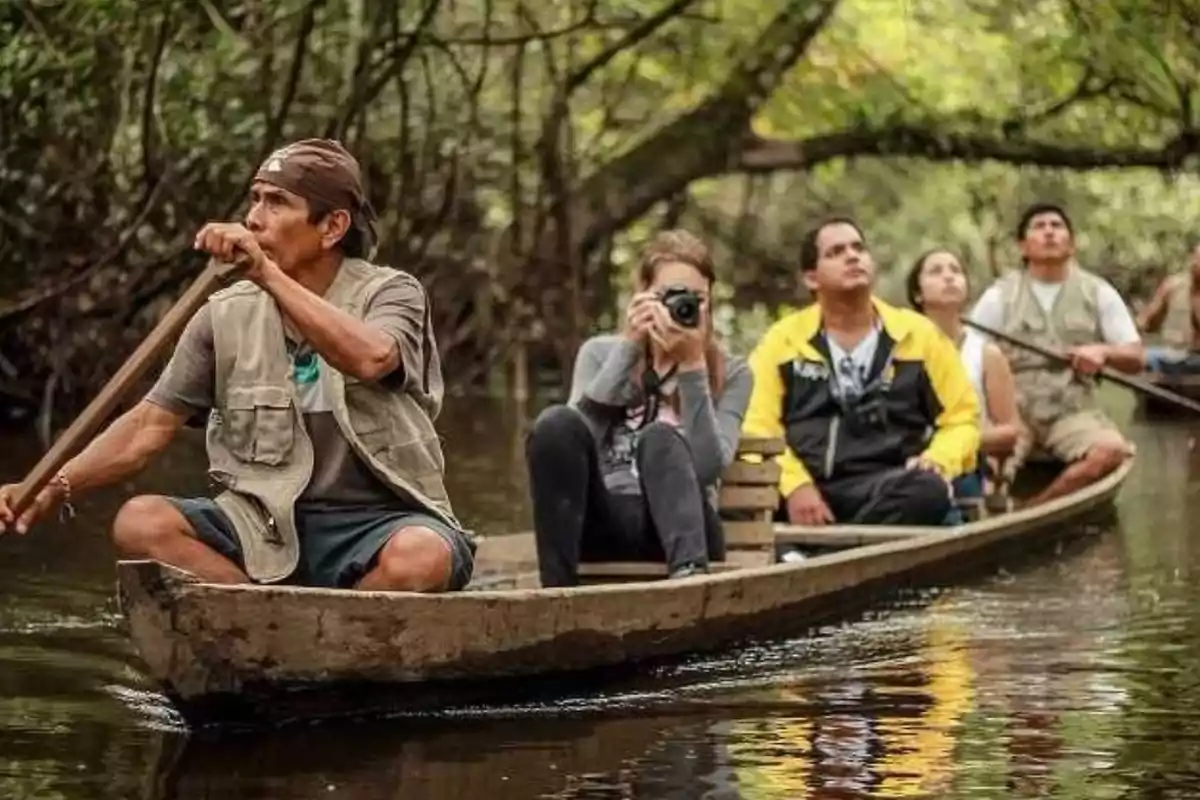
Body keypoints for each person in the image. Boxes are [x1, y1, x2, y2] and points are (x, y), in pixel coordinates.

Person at [0, 138, 475, 593]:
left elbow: (372, 357)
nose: (253, 219)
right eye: (255, 200)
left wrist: (266, 274)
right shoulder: (224, 314)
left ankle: (327, 623)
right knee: (139, 523)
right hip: (263, 525)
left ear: (332, 227)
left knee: (422, 557)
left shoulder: (393, 293)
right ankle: (265, 617)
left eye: (277, 203)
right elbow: (146, 426)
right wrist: (52, 486)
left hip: (379, 522)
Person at [525, 229, 753, 587]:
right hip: (606, 523)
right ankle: (556, 595)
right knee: (555, 422)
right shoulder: (600, 353)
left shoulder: (733, 372)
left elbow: (708, 469)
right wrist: (630, 348)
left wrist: (693, 366)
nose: (681, 307)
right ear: (642, 297)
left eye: (696, 298)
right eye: (669, 296)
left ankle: (690, 587)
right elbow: (573, 446)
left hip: (685, 528)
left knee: (659, 438)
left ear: (710, 302)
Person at [742, 217, 980, 530]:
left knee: (927, 490)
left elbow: (963, 419)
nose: (852, 256)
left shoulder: (918, 335)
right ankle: (820, 548)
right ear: (812, 278)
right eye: (836, 252)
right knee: (734, 494)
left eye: (858, 248)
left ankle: (815, 554)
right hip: (805, 489)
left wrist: (938, 460)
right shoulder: (782, 340)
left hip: (887, 486)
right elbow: (756, 427)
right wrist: (796, 485)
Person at [968, 202, 1143, 506]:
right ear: (1023, 246)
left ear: (1071, 244)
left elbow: (1136, 357)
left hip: (1072, 410)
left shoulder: (1098, 292)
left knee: (1112, 451)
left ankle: (1037, 509)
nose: (1049, 232)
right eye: (1039, 227)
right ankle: (991, 497)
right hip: (1013, 411)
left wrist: (1103, 352)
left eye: (1056, 226)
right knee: (973, 452)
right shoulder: (999, 296)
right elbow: (967, 354)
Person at [907, 248, 1022, 502]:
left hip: (966, 463)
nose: (948, 277)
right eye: (936, 272)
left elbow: (1010, 431)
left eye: (955, 271)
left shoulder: (986, 353)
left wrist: (953, 444)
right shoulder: (901, 348)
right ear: (918, 294)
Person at [1136, 240, 1200, 375]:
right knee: (1137, 358)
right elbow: (1146, 322)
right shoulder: (1174, 286)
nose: (1196, 264)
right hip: (1172, 356)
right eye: (1196, 259)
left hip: (1194, 360)